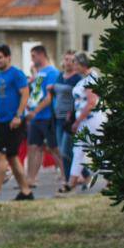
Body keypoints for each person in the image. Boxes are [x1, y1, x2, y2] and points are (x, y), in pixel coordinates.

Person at [0, 44, 33, 202]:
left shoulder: (16, 74)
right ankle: (26, 192)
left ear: (8, 57)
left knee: (0, 154)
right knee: (12, 157)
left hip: (14, 122)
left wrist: (18, 116)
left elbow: (25, 94)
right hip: (2, 121)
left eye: (0, 57)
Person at [23, 44, 63, 190]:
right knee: (33, 147)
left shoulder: (52, 72)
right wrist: (29, 106)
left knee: (54, 148)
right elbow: (36, 93)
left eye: (33, 56)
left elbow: (49, 97)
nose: (32, 60)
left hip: (47, 116)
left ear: (41, 55)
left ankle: (67, 177)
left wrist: (36, 110)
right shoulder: (39, 73)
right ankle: (30, 179)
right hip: (36, 117)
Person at [68, 53, 106, 189]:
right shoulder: (83, 79)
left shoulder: (90, 78)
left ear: (82, 64)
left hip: (92, 120)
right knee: (78, 150)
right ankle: (71, 183)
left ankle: (112, 179)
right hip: (85, 120)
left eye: (76, 63)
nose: (74, 66)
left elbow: (91, 102)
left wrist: (77, 121)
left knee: (99, 150)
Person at [52, 51, 81, 193]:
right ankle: (81, 175)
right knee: (63, 150)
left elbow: (79, 97)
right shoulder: (59, 76)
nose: (68, 62)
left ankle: (70, 180)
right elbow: (55, 90)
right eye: (66, 59)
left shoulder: (77, 78)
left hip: (69, 118)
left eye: (71, 60)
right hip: (58, 117)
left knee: (65, 150)